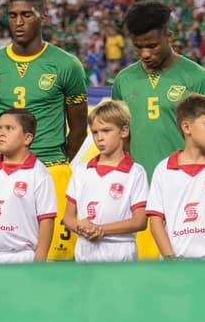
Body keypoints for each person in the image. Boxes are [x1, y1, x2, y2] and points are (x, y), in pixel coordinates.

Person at [0, 0, 87, 261]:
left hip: (53, 169)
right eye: (12, 16)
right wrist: (6, 154)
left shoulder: (66, 65)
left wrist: (57, 160)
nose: (19, 22)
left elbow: (79, 130)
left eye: (27, 15)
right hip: (7, 174)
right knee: (9, 253)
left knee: (58, 259)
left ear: (43, 18)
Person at [111, 0, 205, 259]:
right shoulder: (124, 80)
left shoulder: (197, 78)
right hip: (138, 197)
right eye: (138, 48)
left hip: (187, 193)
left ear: (169, 36)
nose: (145, 54)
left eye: (152, 45)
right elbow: (118, 137)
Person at [147, 93, 205, 260]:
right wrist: (170, 259)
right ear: (186, 127)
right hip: (176, 267)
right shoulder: (163, 170)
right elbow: (156, 223)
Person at [0, 108, 56, 265]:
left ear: (27, 138)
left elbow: (47, 220)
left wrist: (39, 263)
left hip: (22, 258)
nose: (1, 133)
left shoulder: (39, 174)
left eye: (9, 128)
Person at [61, 99, 148, 262]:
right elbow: (68, 217)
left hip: (121, 249)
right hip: (86, 248)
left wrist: (102, 230)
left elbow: (140, 220)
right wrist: (80, 226)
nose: (99, 138)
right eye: (95, 132)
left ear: (124, 131)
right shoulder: (81, 170)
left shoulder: (135, 172)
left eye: (106, 131)